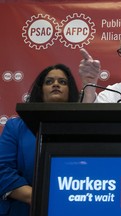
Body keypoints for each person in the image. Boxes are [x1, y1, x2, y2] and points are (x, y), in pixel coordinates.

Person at [0, 64, 79, 216]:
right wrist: (38, 197)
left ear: (71, 91)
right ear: (40, 90)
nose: (56, 84)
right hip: (23, 209)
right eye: (49, 82)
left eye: (62, 82)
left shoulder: (82, 127)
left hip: (71, 207)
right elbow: (2, 170)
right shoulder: (16, 127)